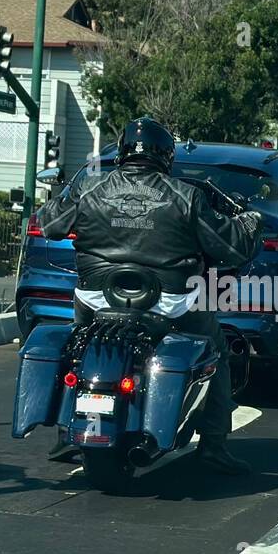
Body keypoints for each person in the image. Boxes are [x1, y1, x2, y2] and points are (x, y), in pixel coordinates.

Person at [40, 117, 263, 475]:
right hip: (168, 304)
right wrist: (250, 222)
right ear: (166, 156)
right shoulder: (186, 196)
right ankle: (214, 445)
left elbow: (50, 225)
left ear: (123, 151)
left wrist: (63, 194)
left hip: (97, 298)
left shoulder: (89, 190)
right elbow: (231, 248)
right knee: (216, 350)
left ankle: (68, 431)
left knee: (77, 349)